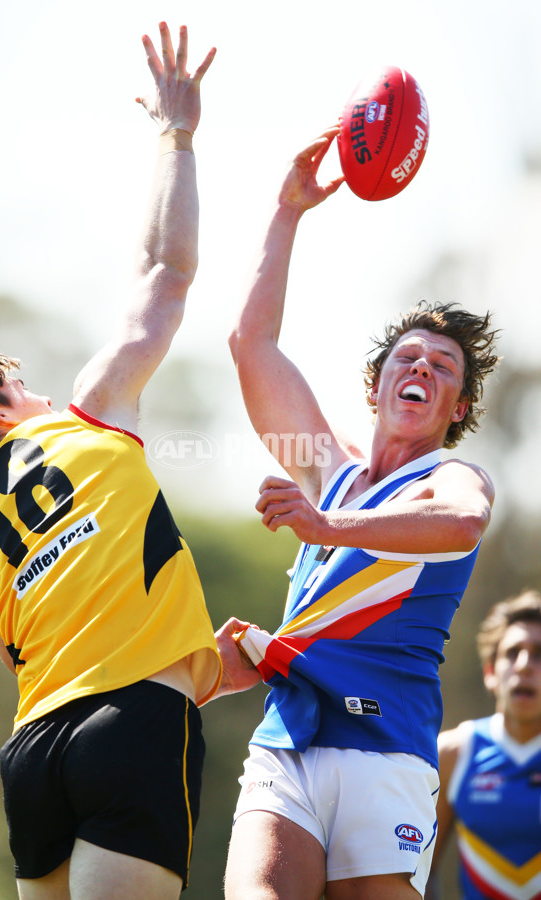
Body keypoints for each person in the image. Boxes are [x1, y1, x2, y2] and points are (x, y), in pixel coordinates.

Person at [0, 22, 242, 900]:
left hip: (35, 755)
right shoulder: (88, 416)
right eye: (19, 385)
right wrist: (176, 135)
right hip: (131, 725)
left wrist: (201, 666)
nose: (39, 390)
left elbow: (55, 658)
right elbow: (165, 272)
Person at [222, 128, 500, 900]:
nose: (422, 367)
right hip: (291, 740)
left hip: (387, 751)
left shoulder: (452, 477)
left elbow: (461, 527)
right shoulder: (328, 468)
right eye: (407, 358)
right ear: (376, 387)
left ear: (458, 406)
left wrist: (324, 527)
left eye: (443, 367)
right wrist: (286, 215)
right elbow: (252, 344)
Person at [425, 589, 541, 900]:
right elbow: (418, 873)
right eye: (512, 652)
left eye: (540, 653)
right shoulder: (452, 754)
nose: (525, 665)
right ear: (490, 673)